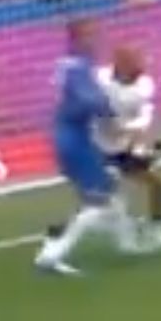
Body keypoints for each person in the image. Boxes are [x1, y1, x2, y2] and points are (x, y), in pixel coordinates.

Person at [31, 19, 127, 275]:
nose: (95, 40)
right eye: (89, 36)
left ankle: (126, 242)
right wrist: (110, 115)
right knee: (98, 199)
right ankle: (52, 254)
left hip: (72, 136)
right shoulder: (78, 67)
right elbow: (88, 99)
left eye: (95, 34)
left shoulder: (68, 65)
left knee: (107, 187)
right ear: (75, 39)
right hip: (73, 140)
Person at [99, 40, 161, 254]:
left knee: (159, 187)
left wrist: (135, 138)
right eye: (135, 61)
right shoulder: (98, 79)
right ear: (120, 63)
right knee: (107, 200)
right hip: (95, 149)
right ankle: (57, 244)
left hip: (123, 147)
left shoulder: (144, 85)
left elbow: (143, 118)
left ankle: (156, 233)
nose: (141, 66)